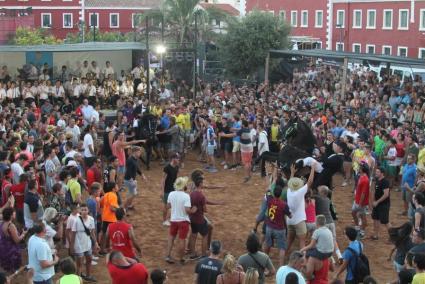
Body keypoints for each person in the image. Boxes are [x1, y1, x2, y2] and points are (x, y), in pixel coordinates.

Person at [165, 176, 197, 264]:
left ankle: (168, 255)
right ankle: (181, 258)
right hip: (183, 221)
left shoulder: (171, 194)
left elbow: (168, 206)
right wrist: (193, 210)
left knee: (171, 238)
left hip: (174, 220)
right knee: (182, 239)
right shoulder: (186, 196)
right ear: (183, 186)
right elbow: (187, 210)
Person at [286, 164, 316, 253]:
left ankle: (283, 258)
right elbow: (310, 182)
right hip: (299, 221)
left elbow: (290, 183)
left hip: (290, 220)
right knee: (302, 243)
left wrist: (292, 173)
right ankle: (302, 261)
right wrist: (313, 169)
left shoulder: (289, 191)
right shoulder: (299, 193)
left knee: (289, 241)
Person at [263, 184, 291, 266]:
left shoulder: (269, 199)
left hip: (269, 227)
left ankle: (264, 262)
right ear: (281, 193)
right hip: (279, 228)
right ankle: (281, 266)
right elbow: (290, 215)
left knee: (267, 245)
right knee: (282, 247)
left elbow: (267, 190)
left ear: (273, 193)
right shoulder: (283, 204)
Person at [70, 203, 98, 282]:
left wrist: (96, 243)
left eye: (85, 210)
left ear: (88, 210)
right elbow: (73, 234)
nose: (84, 211)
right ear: (79, 211)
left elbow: (92, 233)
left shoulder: (91, 219)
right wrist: (72, 247)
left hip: (87, 244)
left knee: (89, 260)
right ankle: (78, 280)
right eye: (82, 210)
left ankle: (88, 276)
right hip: (78, 245)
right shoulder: (76, 220)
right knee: (79, 264)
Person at [0, 208, 27, 273]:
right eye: (14, 213)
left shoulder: (2, 223)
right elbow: (17, 240)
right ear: (11, 215)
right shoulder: (11, 226)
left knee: (6, 268)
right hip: (11, 251)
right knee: (14, 270)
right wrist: (23, 234)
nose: (15, 213)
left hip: (3, 248)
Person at [371, 167, 391, 240]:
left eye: (377, 172)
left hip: (384, 204)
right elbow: (375, 192)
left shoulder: (385, 182)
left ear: (382, 173)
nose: (376, 173)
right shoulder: (377, 180)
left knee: (385, 221)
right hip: (377, 204)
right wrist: (374, 201)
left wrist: (377, 202)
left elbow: (386, 194)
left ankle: (393, 237)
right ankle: (375, 235)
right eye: (376, 172)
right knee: (375, 219)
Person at [99, 182, 119, 255]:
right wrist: (119, 211)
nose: (118, 187)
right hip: (111, 218)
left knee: (104, 233)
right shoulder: (113, 195)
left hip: (105, 217)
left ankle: (102, 250)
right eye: (116, 186)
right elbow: (112, 208)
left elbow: (100, 203)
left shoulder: (106, 194)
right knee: (113, 234)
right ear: (113, 188)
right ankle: (111, 249)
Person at [123, 146, 146, 211]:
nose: (140, 153)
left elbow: (137, 168)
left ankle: (129, 205)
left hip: (131, 179)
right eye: (139, 152)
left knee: (133, 193)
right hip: (129, 180)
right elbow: (128, 171)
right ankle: (124, 208)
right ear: (135, 152)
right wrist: (132, 180)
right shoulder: (130, 160)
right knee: (132, 194)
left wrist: (142, 175)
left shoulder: (135, 159)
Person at [351, 162, 370, 239]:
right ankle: (357, 227)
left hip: (361, 202)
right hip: (357, 200)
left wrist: (360, 204)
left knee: (363, 216)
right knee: (353, 213)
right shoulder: (361, 176)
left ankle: (362, 232)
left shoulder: (365, 179)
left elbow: (363, 193)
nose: (358, 168)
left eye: (359, 167)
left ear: (362, 169)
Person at [161, 153, 180, 226]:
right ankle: (164, 220)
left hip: (174, 189)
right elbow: (163, 180)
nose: (178, 160)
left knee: (172, 205)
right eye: (177, 158)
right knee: (166, 206)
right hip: (167, 190)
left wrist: (178, 188)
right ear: (173, 159)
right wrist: (162, 191)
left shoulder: (177, 167)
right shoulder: (167, 168)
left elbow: (177, 178)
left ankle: (169, 219)